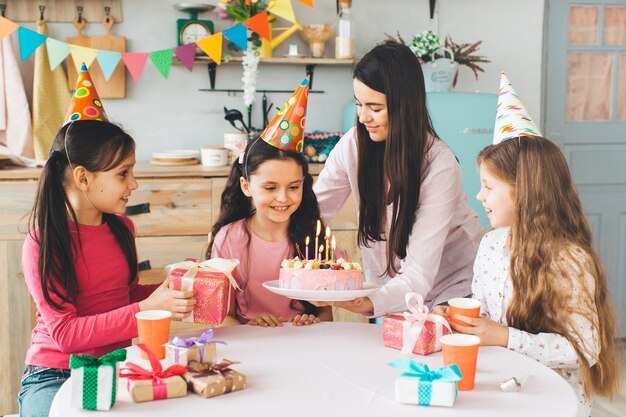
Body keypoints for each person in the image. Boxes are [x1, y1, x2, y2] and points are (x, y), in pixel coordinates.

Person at [434, 73, 620, 415]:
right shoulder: (490, 246)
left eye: (489, 187)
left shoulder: (568, 261)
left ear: (524, 190)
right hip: (502, 389)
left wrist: (504, 337)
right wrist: (458, 320)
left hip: (550, 400)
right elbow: (487, 315)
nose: (479, 196)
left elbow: (585, 349)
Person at [18, 66, 196, 417]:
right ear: (83, 177)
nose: (134, 184)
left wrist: (174, 287)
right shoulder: (42, 243)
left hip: (116, 366)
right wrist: (147, 308)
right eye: (123, 173)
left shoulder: (120, 228)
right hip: (56, 373)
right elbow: (67, 335)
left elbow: (123, 297)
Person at [312, 41, 484, 316]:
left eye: (375, 107)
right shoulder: (352, 146)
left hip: (455, 288)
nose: (363, 117)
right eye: (359, 104)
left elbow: (418, 274)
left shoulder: (439, 166)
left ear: (404, 105)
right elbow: (313, 212)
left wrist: (366, 302)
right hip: (398, 289)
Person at [209, 77, 332, 327]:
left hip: (304, 344)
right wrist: (249, 328)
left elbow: (326, 314)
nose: (283, 198)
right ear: (246, 186)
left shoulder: (313, 236)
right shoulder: (229, 240)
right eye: (270, 187)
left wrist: (312, 321)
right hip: (251, 349)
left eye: (293, 187)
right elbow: (222, 317)